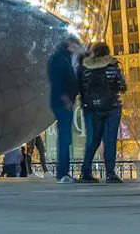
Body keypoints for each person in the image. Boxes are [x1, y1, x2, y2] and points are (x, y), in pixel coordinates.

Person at [76, 41, 126, 183]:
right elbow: (122, 85)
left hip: (91, 109)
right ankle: (110, 174)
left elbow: (80, 87)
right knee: (110, 141)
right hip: (112, 108)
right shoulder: (112, 65)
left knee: (93, 141)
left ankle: (86, 172)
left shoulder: (84, 67)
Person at [46, 37, 81, 183]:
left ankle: (63, 172)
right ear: (70, 45)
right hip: (62, 103)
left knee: (66, 139)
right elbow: (57, 80)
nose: (77, 48)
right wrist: (66, 99)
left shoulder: (64, 58)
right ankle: (62, 173)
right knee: (65, 138)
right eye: (76, 45)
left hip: (64, 102)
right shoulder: (59, 59)